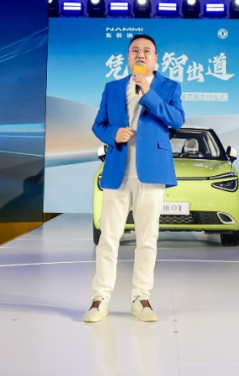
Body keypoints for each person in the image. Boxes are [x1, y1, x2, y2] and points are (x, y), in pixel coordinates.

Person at [84, 34, 185, 323]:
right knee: (108, 237)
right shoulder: (113, 88)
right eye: (135, 50)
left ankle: (141, 297)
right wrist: (112, 134)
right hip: (119, 169)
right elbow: (98, 124)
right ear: (128, 57)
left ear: (155, 58)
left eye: (146, 51)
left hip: (152, 171)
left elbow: (177, 120)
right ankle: (100, 297)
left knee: (147, 239)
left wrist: (149, 93)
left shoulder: (169, 87)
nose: (140, 54)